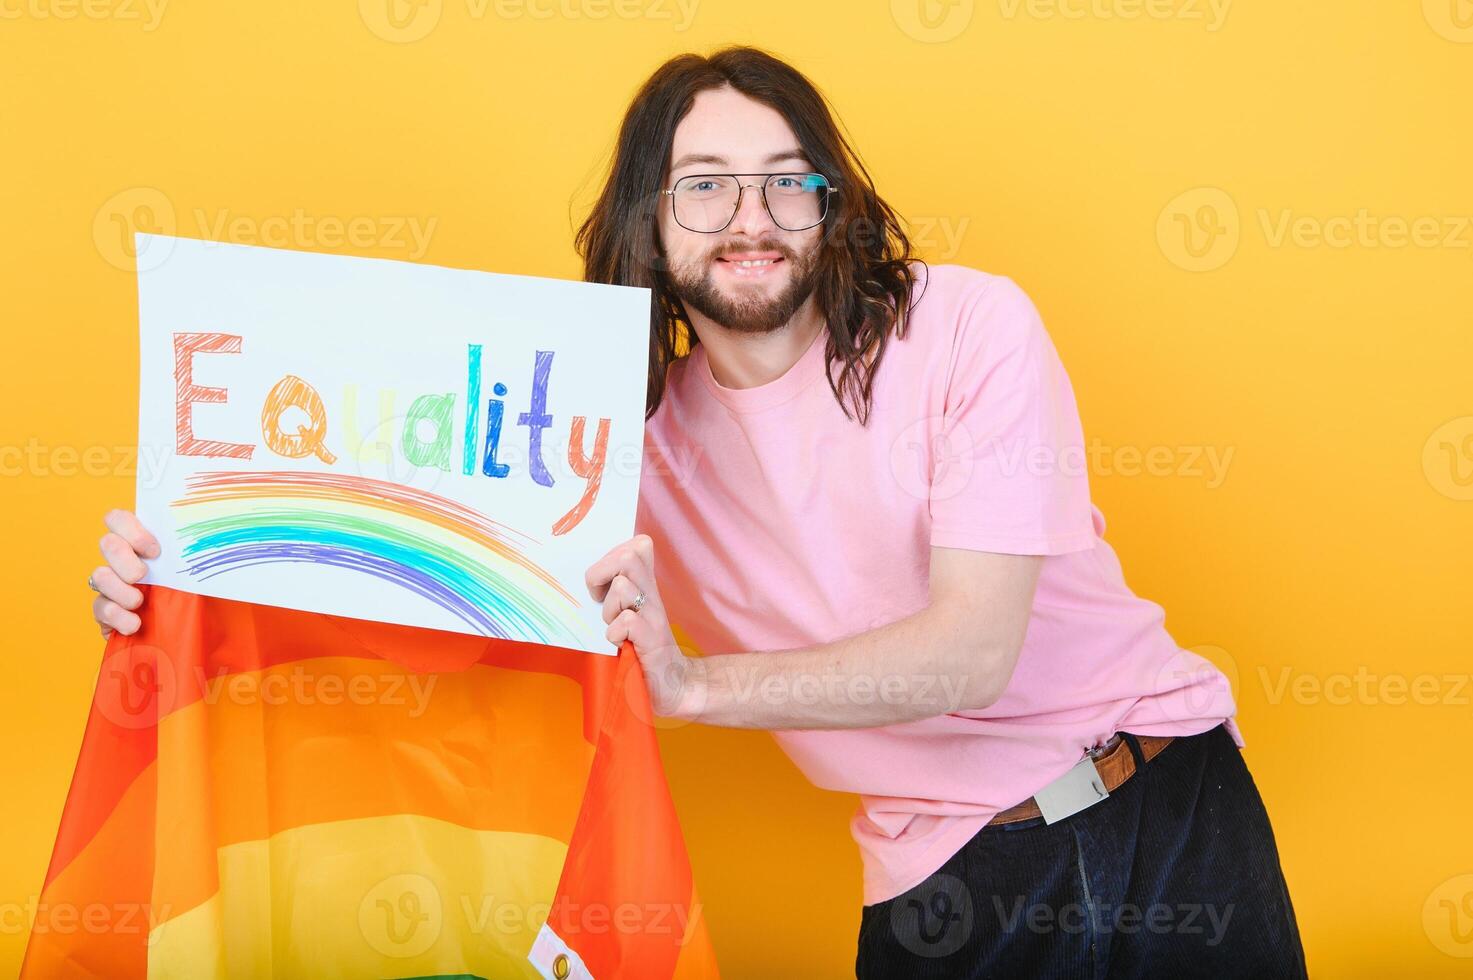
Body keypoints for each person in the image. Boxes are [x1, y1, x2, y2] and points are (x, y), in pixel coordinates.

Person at [88, 46, 1307, 979]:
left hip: (1165, 808)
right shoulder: (616, 448)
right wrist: (187, 563)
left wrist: (697, 686)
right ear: (649, 221)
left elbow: (973, 650)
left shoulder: (969, 325)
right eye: (706, 185)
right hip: (946, 879)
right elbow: (423, 587)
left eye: (788, 181)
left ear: (831, 204)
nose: (752, 216)